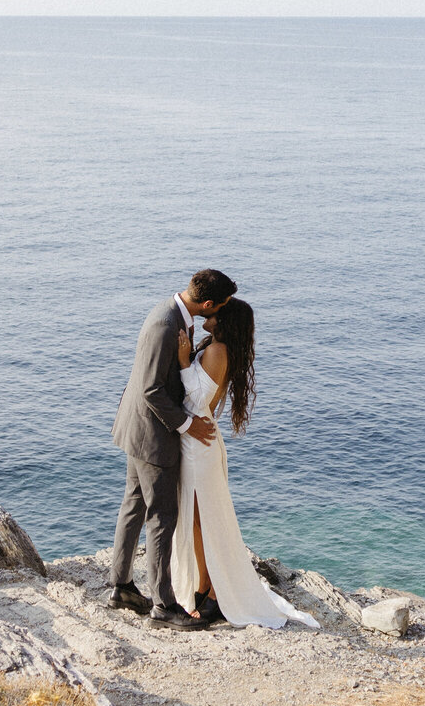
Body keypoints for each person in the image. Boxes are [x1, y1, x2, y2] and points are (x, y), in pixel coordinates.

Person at [170, 299, 318, 631]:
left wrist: (182, 362)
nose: (207, 315)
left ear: (225, 321)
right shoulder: (212, 345)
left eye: (213, 313)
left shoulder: (218, 350)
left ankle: (215, 595)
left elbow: (199, 399)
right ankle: (205, 587)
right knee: (196, 521)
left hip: (200, 447)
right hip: (196, 442)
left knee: (203, 521)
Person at [108, 270, 237, 628]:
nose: (219, 314)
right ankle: (164, 607)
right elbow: (151, 390)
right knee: (162, 517)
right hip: (153, 434)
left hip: (137, 428)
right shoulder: (167, 324)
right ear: (208, 304)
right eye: (219, 307)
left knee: (134, 505)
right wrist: (187, 424)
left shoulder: (168, 313)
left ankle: (120, 586)